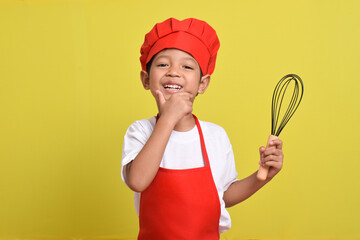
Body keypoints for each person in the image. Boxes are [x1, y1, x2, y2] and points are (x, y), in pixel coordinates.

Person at [121, 17, 284, 239]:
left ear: (202, 84)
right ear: (146, 79)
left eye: (186, 66)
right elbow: (137, 181)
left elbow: (222, 196)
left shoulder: (215, 136)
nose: (173, 72)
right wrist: (168, 119)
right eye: (162, 64)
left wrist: (261, 177)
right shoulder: (140, 131)